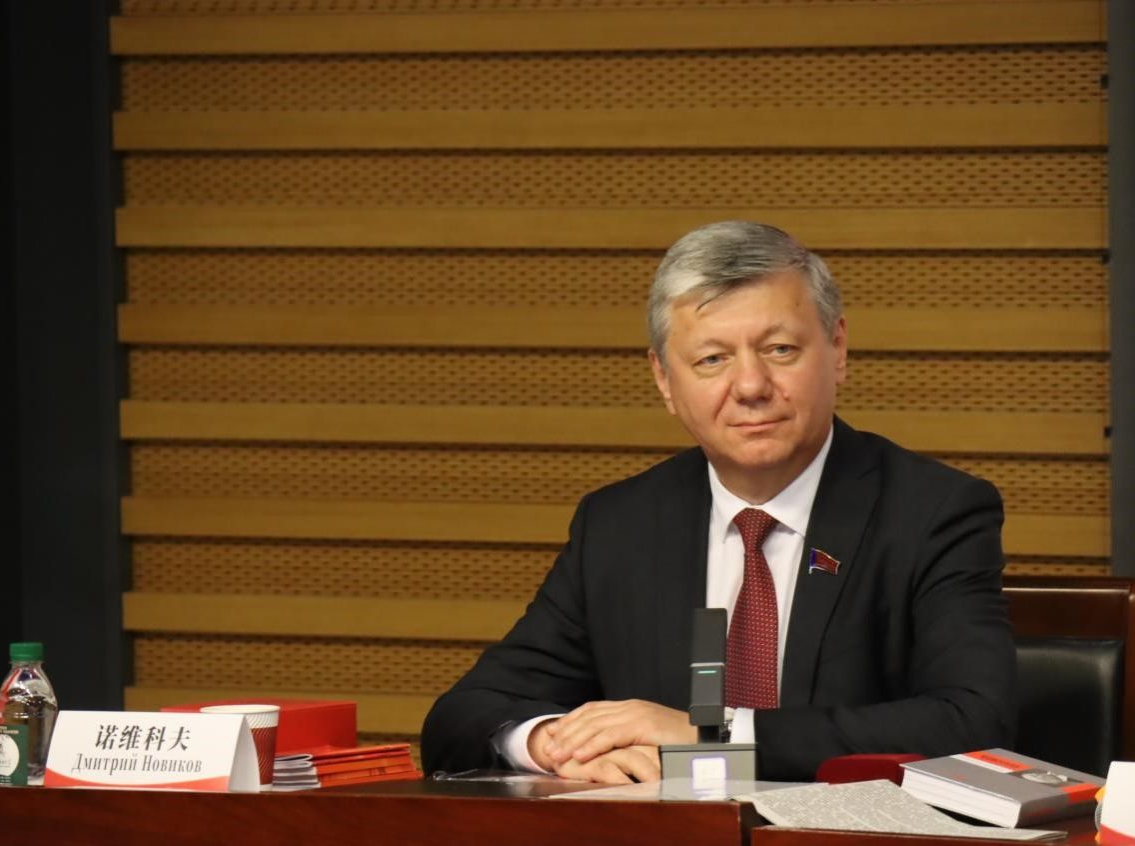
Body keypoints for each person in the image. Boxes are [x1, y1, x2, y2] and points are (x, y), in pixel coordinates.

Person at [421, 221, 1017, 783]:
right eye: (712, 359)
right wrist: (559, 743)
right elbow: (466, 714)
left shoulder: (933, 512)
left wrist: (713, 735)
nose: (751, 386)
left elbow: (973, 721)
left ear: (837, 348)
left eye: (780, 349)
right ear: (664, 379)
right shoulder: (621, 525)